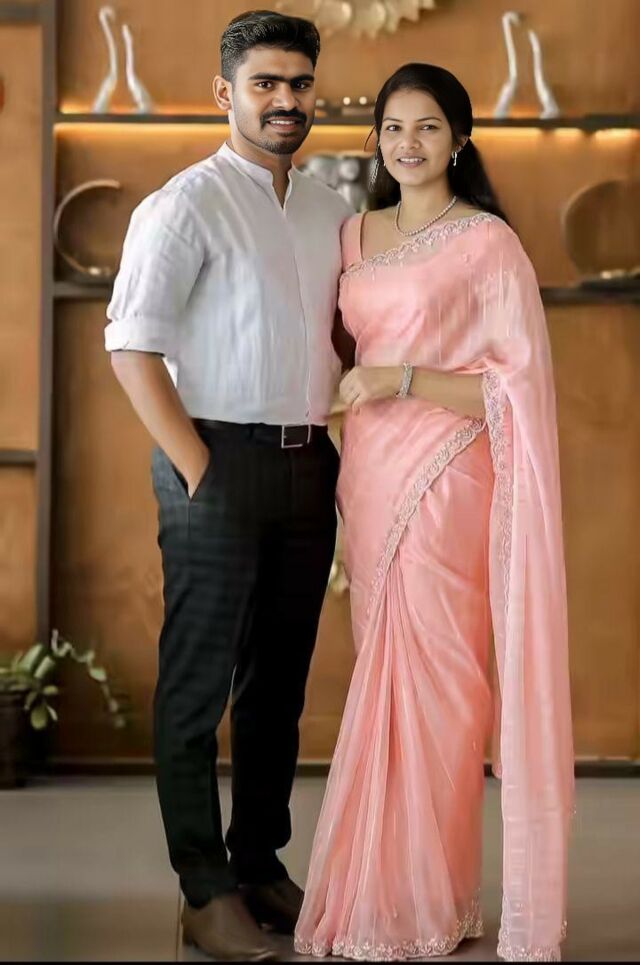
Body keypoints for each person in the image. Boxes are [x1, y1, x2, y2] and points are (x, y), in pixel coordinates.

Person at [295, 63, 574, 962]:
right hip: (368, 476)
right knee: (383, 678)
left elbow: (516, 387)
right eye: (392, 127)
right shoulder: (352, 233)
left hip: (449, 474)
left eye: (426, 127)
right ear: (374, 139)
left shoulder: (488, 243)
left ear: (459, 139)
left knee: (443, 689)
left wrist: (403, 378)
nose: (406, 143)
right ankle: (394, 891)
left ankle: (425, 899)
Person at [105, 10, 352, 962]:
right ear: (226, 93)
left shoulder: (329, 210)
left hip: (308, 463)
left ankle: (257, 865)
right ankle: (203, 891)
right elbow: (131, 347)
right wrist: (200, 469)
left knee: (278, 685)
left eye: (299, 83)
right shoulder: (183, 205)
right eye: (265, 83)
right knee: (198, 684)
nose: (286, 99)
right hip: (213, 460)